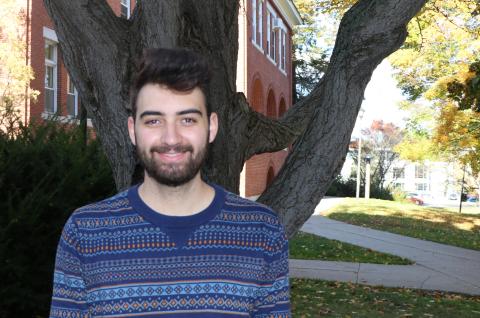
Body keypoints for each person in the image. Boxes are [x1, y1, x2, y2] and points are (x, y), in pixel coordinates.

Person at [49, 48, 290, 317]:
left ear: (211, 127)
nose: (171, 138)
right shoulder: (85, 233)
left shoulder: (262, 232)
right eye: (154, 120)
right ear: (133, 130)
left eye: (187, 119)